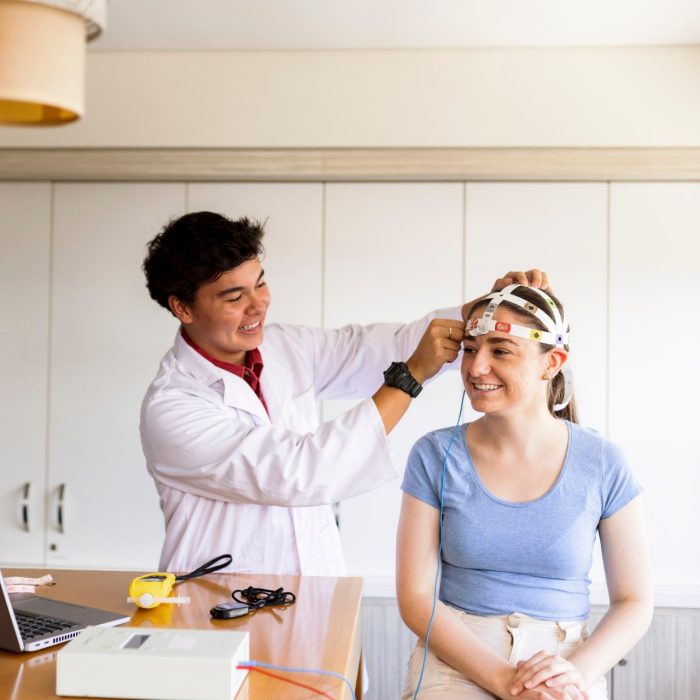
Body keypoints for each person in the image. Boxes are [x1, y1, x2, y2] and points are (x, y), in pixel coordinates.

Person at [140, 210, 545, 577]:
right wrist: (409, 377)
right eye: (234, 297)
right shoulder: (173, 408)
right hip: (218, 603)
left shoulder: (286, 347)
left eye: (260, 284)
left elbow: (386, 348)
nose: (257, 306)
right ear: (183, 308)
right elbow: (300, 471)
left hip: (314, 588)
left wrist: (482, 311)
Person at [397, 284, 652, 700]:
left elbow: (635, 600)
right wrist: (504, 680)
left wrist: (571, 674)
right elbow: (415, 598)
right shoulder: (434, 454)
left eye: (500, 350)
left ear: (552, 362)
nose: (476, 368)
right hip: (458, 658)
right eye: (470, 348)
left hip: (565, 661)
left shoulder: (604, 462)